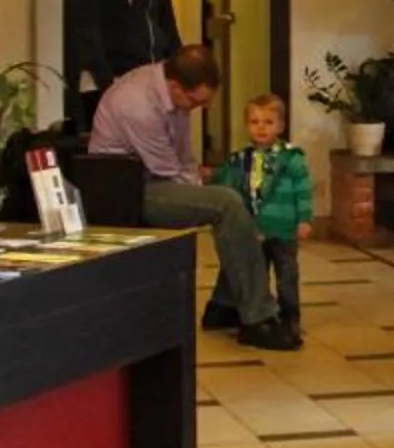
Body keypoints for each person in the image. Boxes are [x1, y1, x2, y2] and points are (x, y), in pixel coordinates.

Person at [88, 44, 292, 351]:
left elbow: (183, 158)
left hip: (153, 178)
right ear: (176, 87)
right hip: (126, 192)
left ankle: (225, 305)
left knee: (239, 195)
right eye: (196, 102)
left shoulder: (173, 97)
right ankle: (258, 318)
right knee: (226, 204)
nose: (200, 108)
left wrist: (208, 179)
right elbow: (167, 169)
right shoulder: (138, 104)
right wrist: (207, 189)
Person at [212, 91, 312, 339]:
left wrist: (304, 218)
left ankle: (290, 317)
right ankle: (263, 312)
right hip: (255, 229)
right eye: (255, 122)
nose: (261, 128)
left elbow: (303, 189)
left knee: (286, 275)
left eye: (268, 122)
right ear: (247, 125)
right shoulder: (241, 159)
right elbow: (229, 186)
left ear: (280, 126)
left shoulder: (291, 157)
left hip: (284, 229)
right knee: (257, 273)